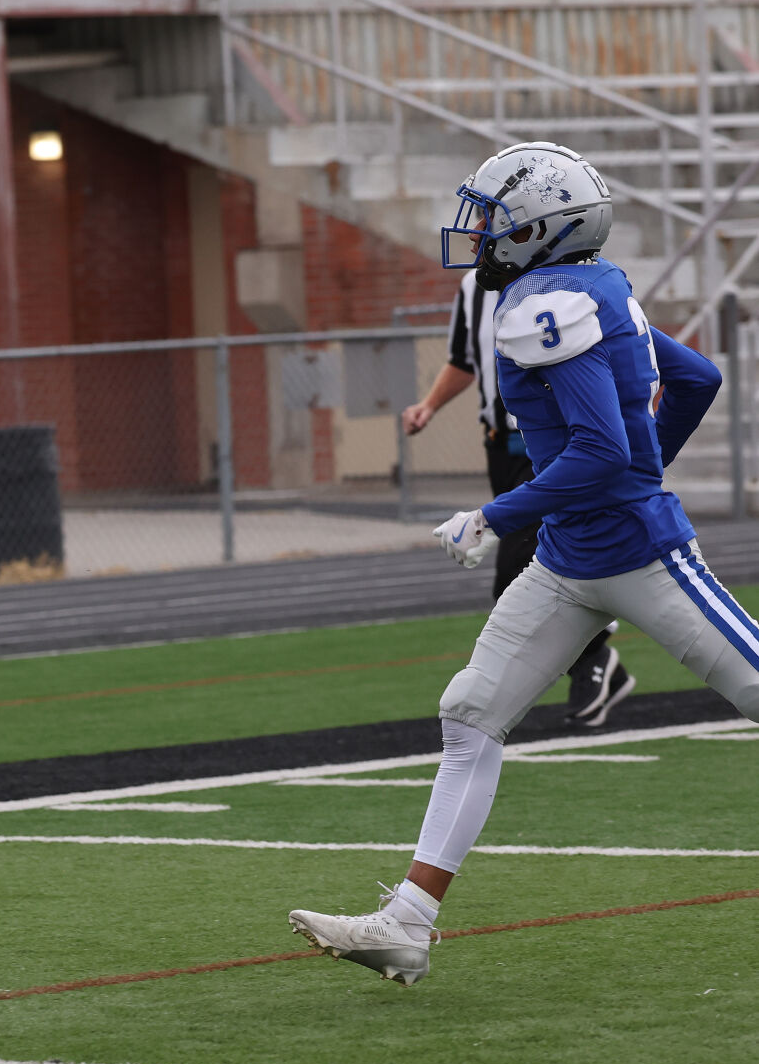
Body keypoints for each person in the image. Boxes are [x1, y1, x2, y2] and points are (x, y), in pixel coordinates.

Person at [289, 141, 732, 987]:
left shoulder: (546, 302)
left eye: (491, 216)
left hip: (638, 553)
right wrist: (633, 470)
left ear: (540, 228)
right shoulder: (589, 287)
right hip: (570, 560)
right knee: (469, 711)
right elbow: (697, 381)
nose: (478, 230)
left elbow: (603, 449)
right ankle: (406, 923)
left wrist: (494, 514)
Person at [405, 268, 635, 727]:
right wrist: (429, 404)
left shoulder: (566, 280)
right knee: (545, 562)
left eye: (485, 221)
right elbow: (463, 361)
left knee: (518, 572)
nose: (474, 237)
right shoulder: (473, 287)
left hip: (549, 443)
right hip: (500, 445)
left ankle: (580, 665)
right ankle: (595, 663)